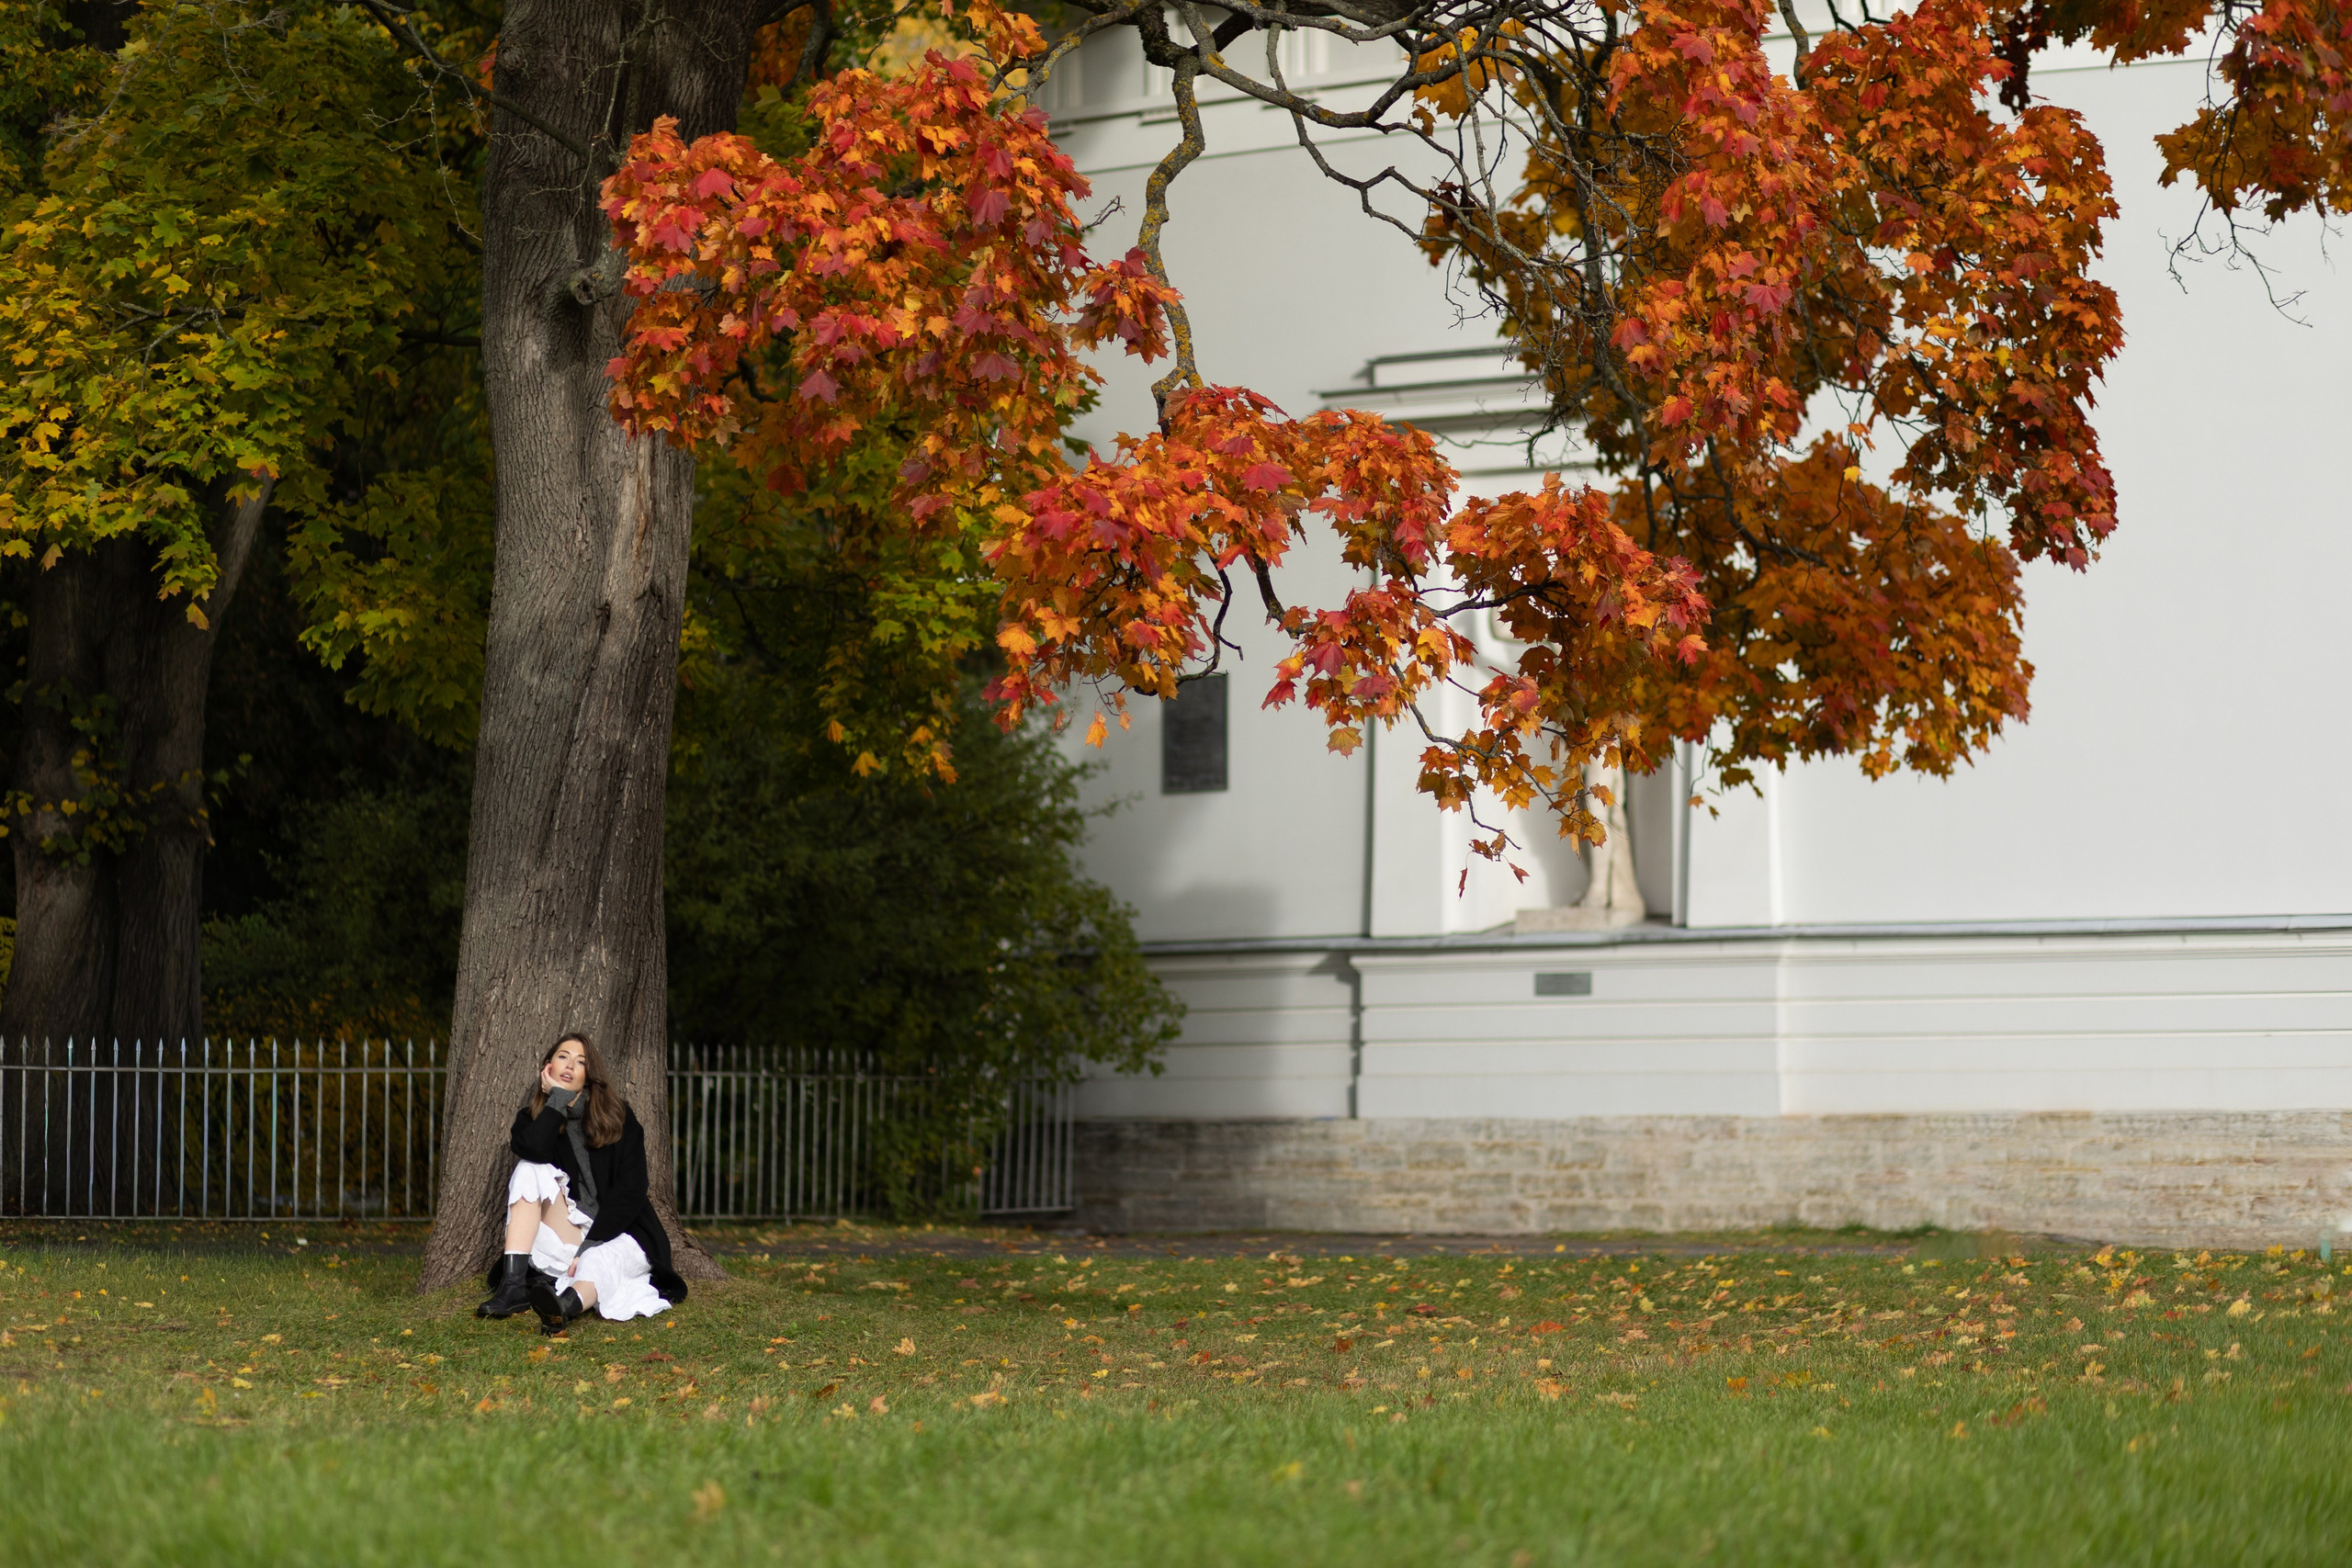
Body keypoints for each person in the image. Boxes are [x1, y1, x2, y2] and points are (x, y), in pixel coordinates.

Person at [474, 1032, 688, 1332]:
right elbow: (534, 1151)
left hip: (621, 1232)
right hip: (570, 1230)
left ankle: (563, 1310)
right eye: (563, 1056)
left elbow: (632, 1188)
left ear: (590, 1075)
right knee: (528, 1168)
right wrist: (557, 1101)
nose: (570, 1065)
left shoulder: (618, 1116)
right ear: (548, 1067)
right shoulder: (535, 1118)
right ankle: (512, 1289)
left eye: (581, 1061)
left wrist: (592, 1243)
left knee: (599, 1259)